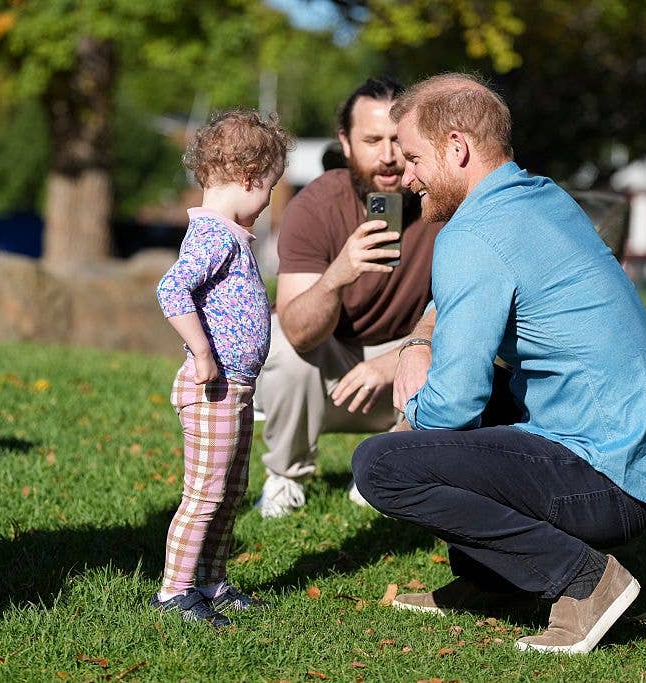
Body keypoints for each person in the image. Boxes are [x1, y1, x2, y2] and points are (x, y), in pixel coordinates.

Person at [351, 74, 646, 654]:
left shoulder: (473, 233)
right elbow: (457, 307)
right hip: (637, 464)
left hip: (606, 479)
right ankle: (491, 583)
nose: (405, 176)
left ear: (457, 148)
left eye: (413, 156)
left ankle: (586, 583)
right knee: (484, 402)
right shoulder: (538, 198)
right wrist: (419, 343)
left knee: (383, 467)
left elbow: (453, 407)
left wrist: (409, 422)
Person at [253, 77, 441, 518]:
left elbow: (465, 318)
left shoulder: (442, 204)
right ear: (346, 142)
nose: (389, 156)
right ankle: (286, 475)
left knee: (469, 351)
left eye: (399, 140)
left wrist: (393, 361)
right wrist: (338, 274)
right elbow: (298, 331)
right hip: (332, 372)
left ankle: (389, 467)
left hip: (405, 366)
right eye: (373, 140)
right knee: (283, 344)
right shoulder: (316, 205)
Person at [152, 110, 293, 626]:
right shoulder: (212, 236)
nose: (268, 201)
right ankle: (174, 591)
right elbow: (172, 289)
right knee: (205, 494)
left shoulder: (228, 236)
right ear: (251, 177)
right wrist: (204, 354)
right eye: (270, 189)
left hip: (236, 387)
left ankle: (210, 581)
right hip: (212, 384)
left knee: (230, 494)